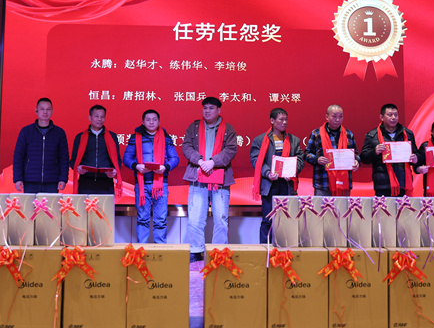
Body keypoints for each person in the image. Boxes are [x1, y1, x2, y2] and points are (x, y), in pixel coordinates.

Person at [183, 97, 238, 263]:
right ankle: (196, 250)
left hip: (220, 181)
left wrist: (213, 162)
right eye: (205, 108)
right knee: (195, 218)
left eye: (211, 108)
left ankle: (218, 252)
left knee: (220, 218)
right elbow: (187, 146)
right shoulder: (193, 127)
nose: (207, 111)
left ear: (219, 110)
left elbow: (231, 150)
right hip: (198, 177)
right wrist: (200, 161)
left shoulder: (228, 129)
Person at [123, 109, 180, 243]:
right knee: (142, 219)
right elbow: (126, 158)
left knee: (160, 220)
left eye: (154, 119)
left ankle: (160, 249)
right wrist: (136, 166)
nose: (151, 122)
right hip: (141, 184)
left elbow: (175, 158)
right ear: (143, 122)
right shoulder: (135, 137)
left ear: (159, 122)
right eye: (148, 119)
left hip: (161, 184)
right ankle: (141, 249)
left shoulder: (166, 138)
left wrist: (165, 167)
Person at [250, 108, 305, 243]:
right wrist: (268, 173)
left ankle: (286, 249)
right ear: (272, 121)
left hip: (287, 185)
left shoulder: (294, 140)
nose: (284, 122)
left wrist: (292, 171)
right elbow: (256, 160)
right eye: (281, 119)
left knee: (287, 219)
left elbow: (300, 160)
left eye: (286, 119)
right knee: (268, 220)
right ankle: (265, 249)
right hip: (269, 185)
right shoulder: (260, 140)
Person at [360, 103, 418, 197]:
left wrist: (415, 159)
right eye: (390, 115)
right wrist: (374, 152)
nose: (393, 118)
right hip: (382, 185)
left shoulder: (408, 134)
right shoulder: (372, 135)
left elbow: (416, 155)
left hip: (403, 184)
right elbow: (364, 158)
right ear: (381, 117)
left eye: (396, 115)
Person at [12, 97, 69, 193]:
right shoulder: (26, 131)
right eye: (42, 109)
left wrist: (63, 178)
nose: (45, 112)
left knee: (51, 204)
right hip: (30, 181)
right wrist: (18, 178)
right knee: (30, 204)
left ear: (52, 111)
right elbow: (18, 156)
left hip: (52, 182)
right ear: (36, 111)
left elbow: (64, 158)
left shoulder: (59, 133)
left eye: (48, 109)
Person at [305, 104, 361, 196]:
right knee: (321, 206)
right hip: (323, 183)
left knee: (343, 206)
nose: (337, 120)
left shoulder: (348, 134)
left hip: (344, 184)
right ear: (327, 117)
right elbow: (307, 154)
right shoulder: (316, 133)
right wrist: (317, 159)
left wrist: (356, 161)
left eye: (340, 116)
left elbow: (356, 154)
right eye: (334, 116)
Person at [70, 104, 122, 196]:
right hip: (85, 183)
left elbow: (117, 160)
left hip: (106, 183)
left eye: (102, 117)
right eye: (96, 116)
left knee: (106, 206)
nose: (99, 119)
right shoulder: (80, 137)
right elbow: (73, 161)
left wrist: (114, 171)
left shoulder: (112, 137)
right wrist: (78, 168)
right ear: (90, 118)